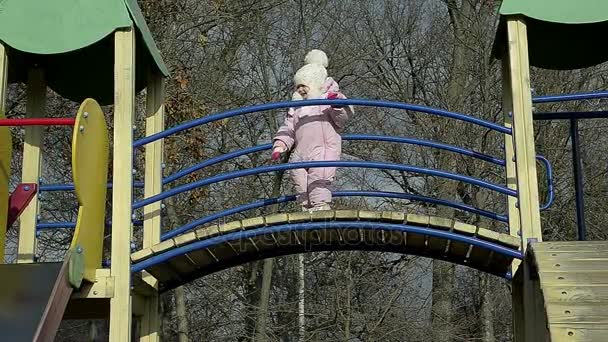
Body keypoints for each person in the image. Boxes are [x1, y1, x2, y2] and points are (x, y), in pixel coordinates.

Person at [271, 60, 353, 212]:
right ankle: (305, 208)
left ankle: (321, 207)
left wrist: (336, 106)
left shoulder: (327, 100)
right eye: (298, 87)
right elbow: (288, 128)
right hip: (301, 153)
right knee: (299, 182)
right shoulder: (296, 109)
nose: (301, 89)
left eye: (304, 85)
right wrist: (280, 144)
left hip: (323, 150)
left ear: (314, 83)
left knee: (319, 180)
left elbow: (341, 120)